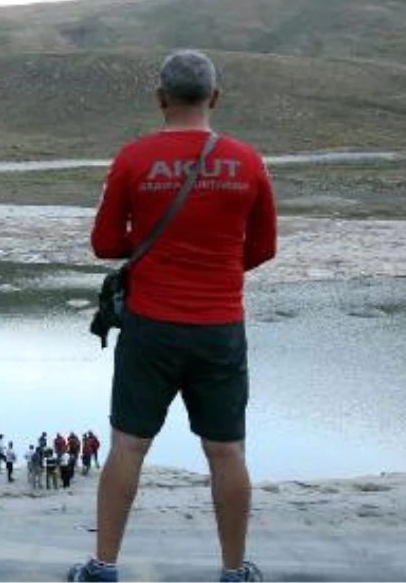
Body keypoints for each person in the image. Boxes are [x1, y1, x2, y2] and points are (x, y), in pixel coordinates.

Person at [68, 50, 276, 583]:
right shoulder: (248, 162)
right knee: (226, 450)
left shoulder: (135, 159)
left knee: (128, 446)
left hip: (150, 326)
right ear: (215, 96)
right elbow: (263, 248)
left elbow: (105, 243)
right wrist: (218, 263)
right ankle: (234, 572)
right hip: (221, 328)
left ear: (160, 98)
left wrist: (156, 252)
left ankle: (103, 567)